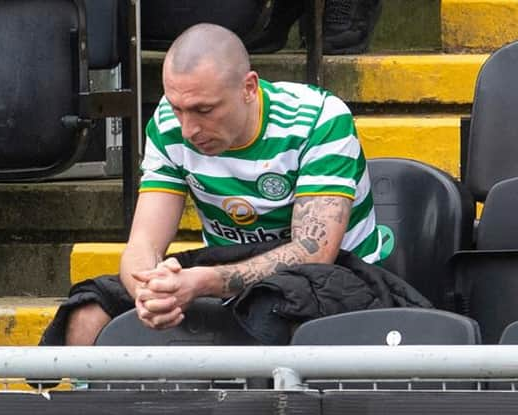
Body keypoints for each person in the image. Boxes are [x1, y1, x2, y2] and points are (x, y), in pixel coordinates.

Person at [63, 22, 382, 346]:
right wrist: (150, 293)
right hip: (225, 268)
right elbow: (142, 244)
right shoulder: (167, 125)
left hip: (339, 278)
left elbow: (314, 253)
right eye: (178, 108)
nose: (189, 129)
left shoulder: (319, 119)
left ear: (249, 88)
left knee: (274, 310)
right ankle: (84, 397)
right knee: (88, 313)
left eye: (204, 110)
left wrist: (204, 283)